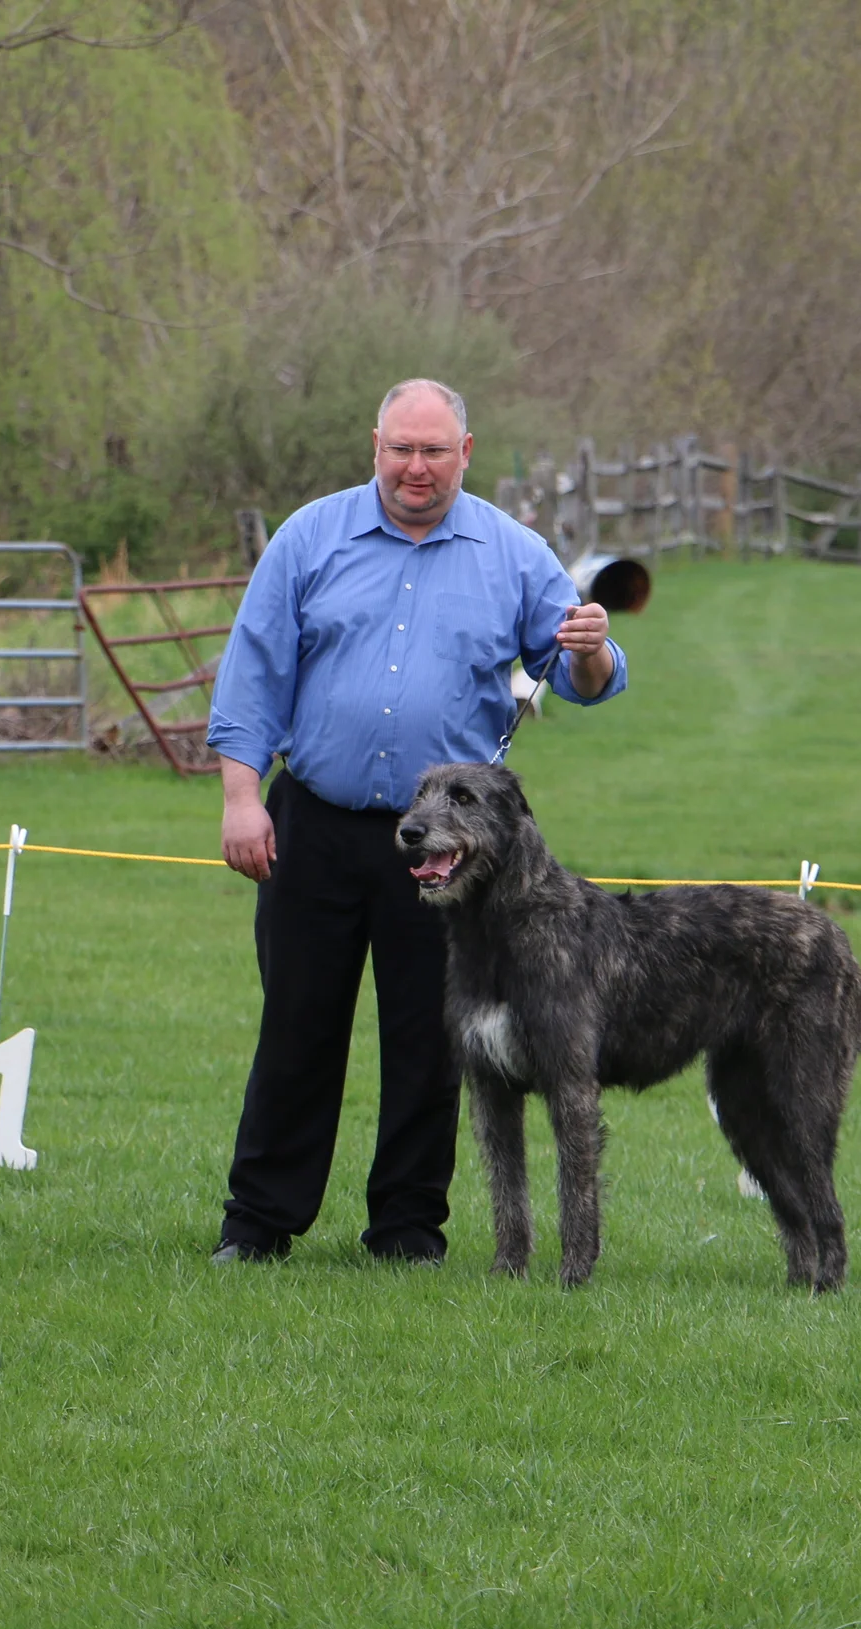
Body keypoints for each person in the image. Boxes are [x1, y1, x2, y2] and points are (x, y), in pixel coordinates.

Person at [203, 378, 629, 1265]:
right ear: (375, 445)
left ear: (464, 454)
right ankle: (259, 1224)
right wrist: (243, 797)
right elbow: (252, 677)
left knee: (431, 1040)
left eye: (434, 451)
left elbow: (584, 671)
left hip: (448, 847)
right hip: (311, 823)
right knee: (297, 1025)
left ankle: (405, 1230)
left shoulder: (513, 553)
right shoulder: (309, 538)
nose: (416, 467)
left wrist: (589, 652)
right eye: (401, 448)